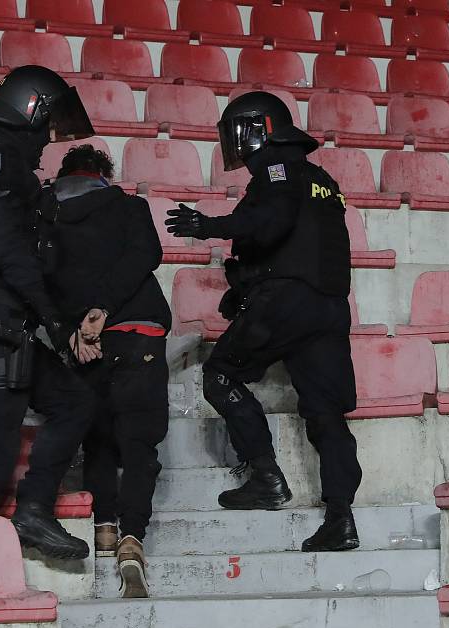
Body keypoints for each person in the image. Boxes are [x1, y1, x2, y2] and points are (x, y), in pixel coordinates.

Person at [165, 91, 363, 552]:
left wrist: (207, 226)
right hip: (328, 308)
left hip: (286, 302)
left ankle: (265, 476)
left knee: (219, 376)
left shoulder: (276, 172)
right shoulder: (321, 180)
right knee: (326, 415)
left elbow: (269, 224)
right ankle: (340, 517)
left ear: (259, 131)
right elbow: (300, 242)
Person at [0, 65, 96, 560]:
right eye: (48, 127)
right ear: (31, 114)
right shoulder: (0, 165)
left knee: (74, 400)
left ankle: (33, 510)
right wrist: (55, 322)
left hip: (5, 322)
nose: (48, 141)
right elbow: (10, 251)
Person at [42, 144, 172, 598]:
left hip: (86, 341)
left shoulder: (48, 214)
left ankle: (104, 526)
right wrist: (106, 308)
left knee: (97, 437)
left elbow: (46, 279)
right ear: (103, 174)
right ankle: (133, 540)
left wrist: (81, 325)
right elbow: (147, 254)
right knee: (140, 444)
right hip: (139, 330)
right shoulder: (129, 206)